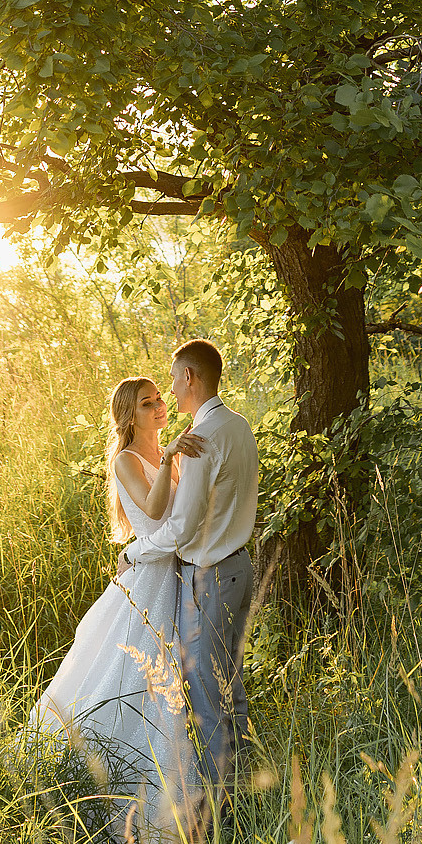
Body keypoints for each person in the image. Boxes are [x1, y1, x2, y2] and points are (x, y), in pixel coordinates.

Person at [29, 376, 203, 844]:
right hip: (148, 581)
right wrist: (169, 459)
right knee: (133, 680)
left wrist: (175, 458)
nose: (160, 406)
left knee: (172, 686)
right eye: (148, 403)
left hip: (175, 575)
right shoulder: (127, 459)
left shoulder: (171, 454)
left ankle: (183, 824)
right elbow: (154, 511)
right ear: (129, 415)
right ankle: (109, 816)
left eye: (160, 398)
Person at [118, 339, 259, 819]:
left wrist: (133, 552)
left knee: (206, 694)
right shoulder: (238, 426)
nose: (170, 392)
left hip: (209, 578)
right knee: (231, 686)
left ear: (190, 378)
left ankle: (223, 811)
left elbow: (180, 529)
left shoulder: (201, 440)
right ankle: (242, 790)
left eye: (173, 380)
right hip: (239, 567)